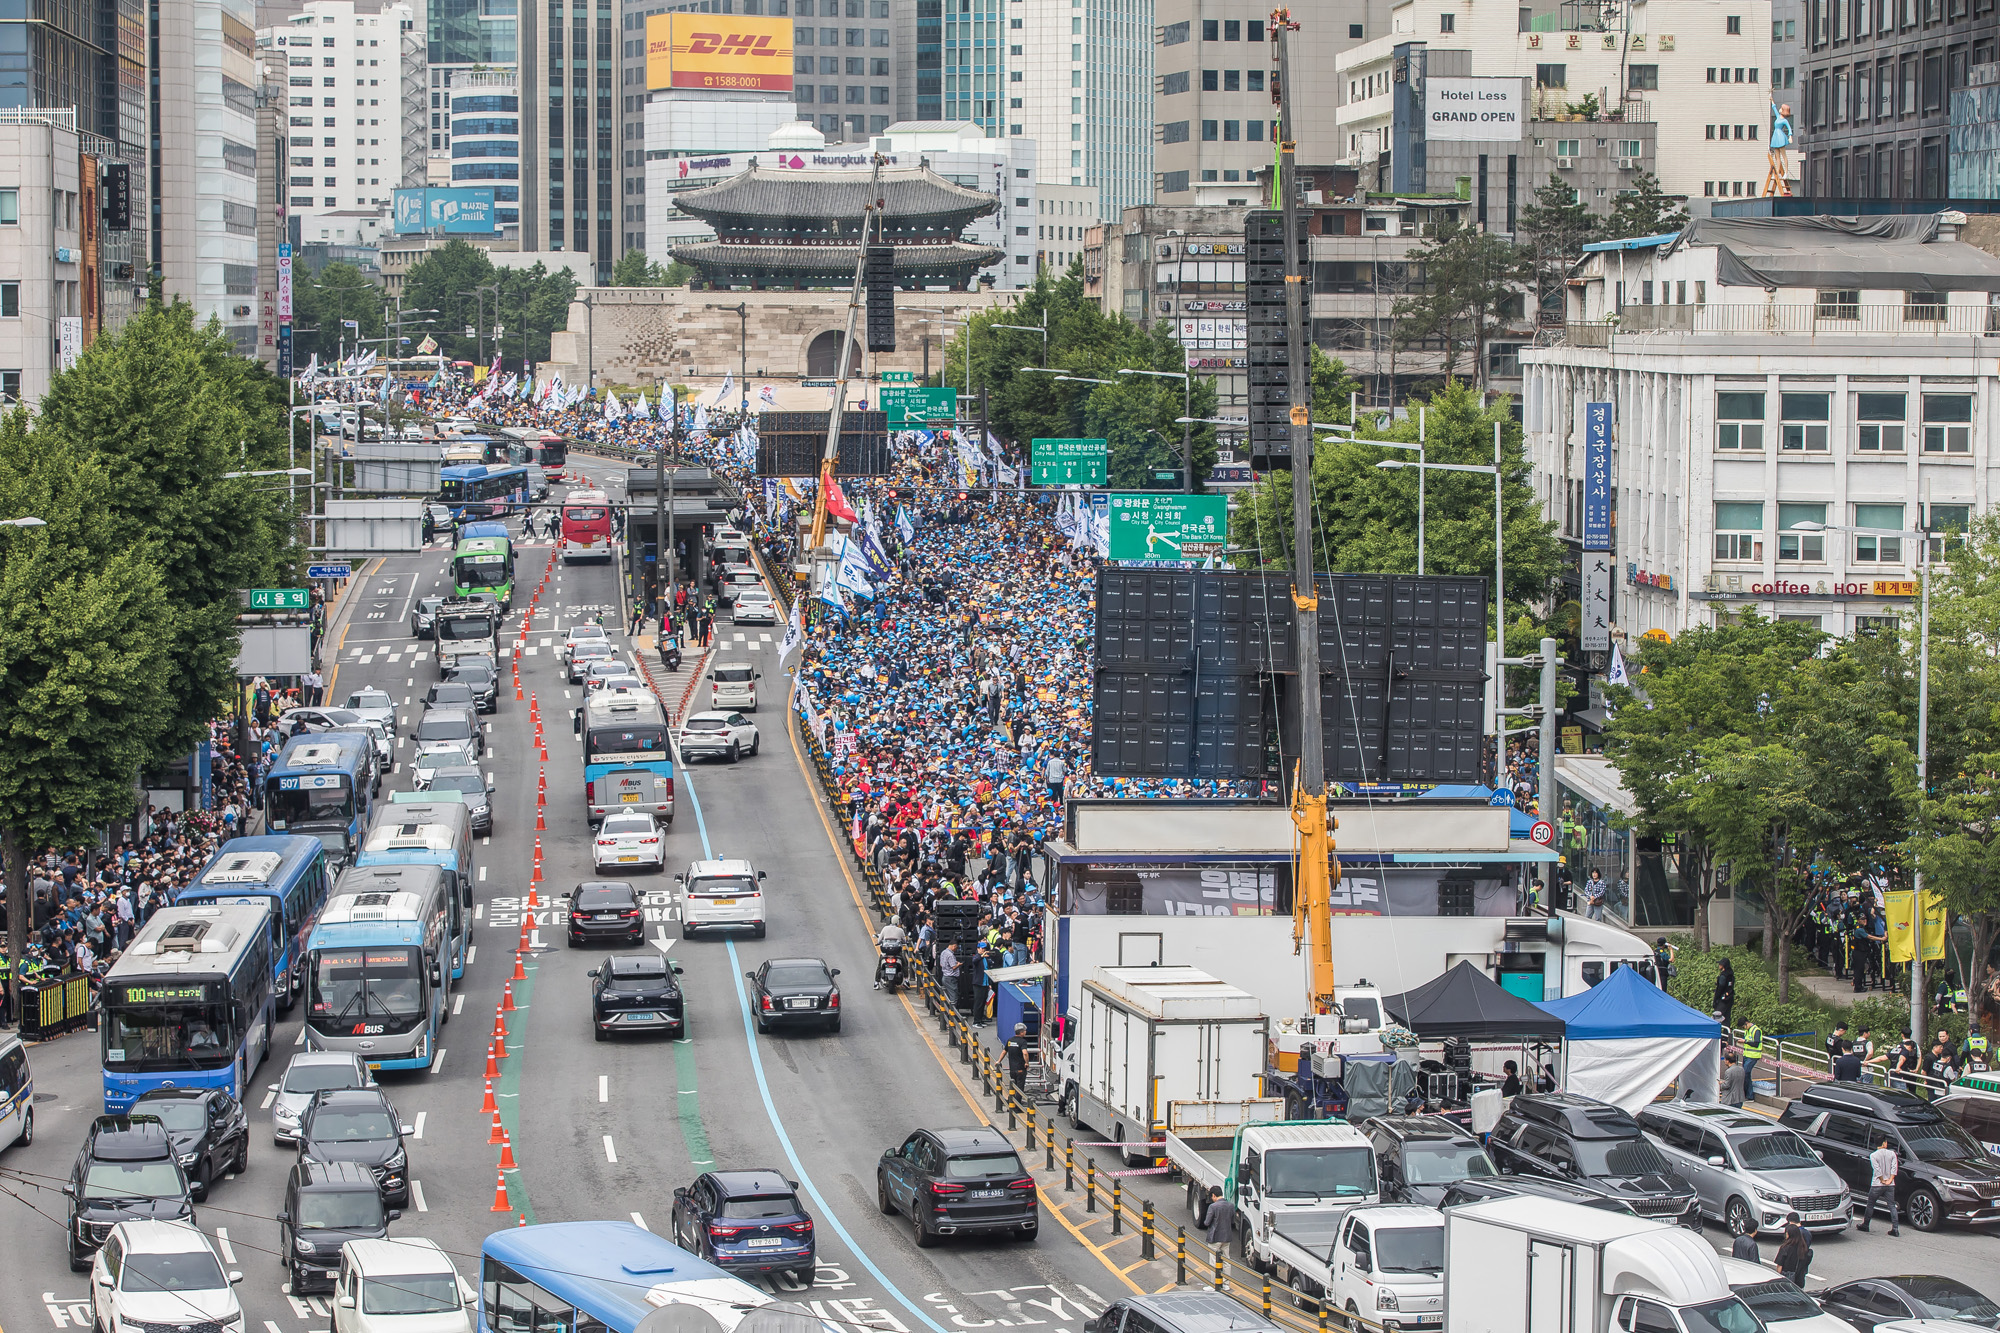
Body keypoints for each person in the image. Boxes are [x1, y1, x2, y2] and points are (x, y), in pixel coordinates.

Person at [1859, 1137, 1900, 1235]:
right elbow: (1894, 1168)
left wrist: (1882, 1180)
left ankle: (1865, 1224)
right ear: (1884, 1143)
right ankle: (1895, 1229)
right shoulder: (1892, 1154)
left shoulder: (1873, 1155)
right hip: (1890, 1185)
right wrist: (1889, 1180)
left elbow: (1877, 1169)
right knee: (1892, 1206)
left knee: (1870, 1204)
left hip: (1877, 1184)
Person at [1774, 1215, 1811, 1286]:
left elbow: (1779, 1266)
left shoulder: (1785, 1248)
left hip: (1787, 1278)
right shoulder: (1803, 1247)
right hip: (1800, 1277)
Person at [1768, 101, 1794, 197]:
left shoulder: (1784, 120)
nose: (1779, 109)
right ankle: (1778, 172)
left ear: (1783, 111)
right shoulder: (1778, 117)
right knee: (1777, 156)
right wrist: (1772, 100)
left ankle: (1786, 172)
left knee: (1783, 155)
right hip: (1776, 136)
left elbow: (1789, 128)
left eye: (1781, 108)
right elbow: (1774, 108)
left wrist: (1790, 136)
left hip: (1780, 136)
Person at [873, 918, 907, 989]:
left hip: (885, 952)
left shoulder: (885, 928)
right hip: (897, 952)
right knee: (904, 963)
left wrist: (879, 942)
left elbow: (879, 940)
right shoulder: (900, 930)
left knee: (880, 965)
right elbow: (904, 940)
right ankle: (906, 981)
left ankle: (876, 982)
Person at [1740, 1017, 1765, 1092]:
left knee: (1745, 1073)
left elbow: (1756, 1043)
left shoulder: (1756, 1030)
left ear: (1746, 1023)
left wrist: (1745, 1041)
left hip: (1753, 1055)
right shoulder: (1747, 1031)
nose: (1744, 1028)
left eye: (1743, 1026)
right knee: (1746, 1074)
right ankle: (1747, 1093)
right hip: (1747, 1055)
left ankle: (1749, 1094)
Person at [1004, 1022, 1030, 1091]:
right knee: (1020, 1088)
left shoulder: (1010, 1040)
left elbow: (1004, 1051)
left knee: (1013, 1086)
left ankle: (1011, 1100)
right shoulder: (1023, 1041)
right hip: (1020, 1068)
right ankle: (1018, 1101)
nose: (1025, 1032)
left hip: (1012, 1069)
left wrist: (998, 1061)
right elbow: (1025, 1053)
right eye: (1025, 1031)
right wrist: (1027, 1062)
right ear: (1021, 1032)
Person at [1712, 959, 1736, 1030]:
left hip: (1723, 1000)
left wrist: (1715, 998)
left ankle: (1716, 1034)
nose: (1719, 966)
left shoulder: (1723, 976)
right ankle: (1726, 1037)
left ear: (1723, 966)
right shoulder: (1731, 974)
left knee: (1717, 1016)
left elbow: (1720, 988)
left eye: (1720, 964)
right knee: (1727, 1018)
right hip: (1729, 998)